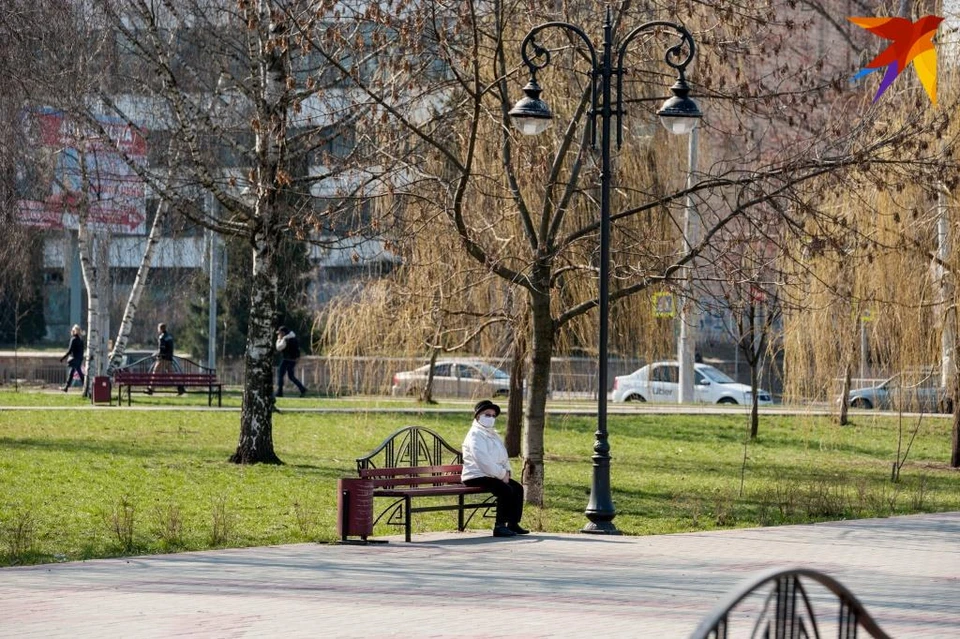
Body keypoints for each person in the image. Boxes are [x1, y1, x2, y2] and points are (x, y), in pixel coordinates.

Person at [461, 399, 528, 538]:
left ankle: (513, 523)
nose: (490, 418)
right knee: (505, 490)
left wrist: (507, 471)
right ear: (478, 416)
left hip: (492, 475)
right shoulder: (475, 434)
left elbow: (503, 455)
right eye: (487, 415)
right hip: (475, 476)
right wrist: (501, 474)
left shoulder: (492, 434)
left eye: (493, 416)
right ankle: (499, 526)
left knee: (517, 488)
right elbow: (483, 460)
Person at [146, 323, 184, 395]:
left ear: (160, 329)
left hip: (162, 358)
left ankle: (150, 389)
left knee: (155, 373)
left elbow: (161, 349)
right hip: (169, 358)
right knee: (171, 374)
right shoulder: (169, 337)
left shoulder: (162, 337)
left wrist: (156, 355)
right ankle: (180, 387)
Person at [275, 326, 307, 397]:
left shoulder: (285, 339)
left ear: (283, 333)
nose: (279, 335)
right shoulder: (293, 337)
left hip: (286, 359)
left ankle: (279, 392)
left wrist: (278, 340)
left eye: (279, 333)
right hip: (293, 360)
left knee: (280, 374)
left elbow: (279, 348)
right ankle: (302, 389)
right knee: (291, 376)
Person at [59, 325, 85, 392]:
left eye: (72, 330)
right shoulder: (80, 340)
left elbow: (69, 351)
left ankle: (85, 385)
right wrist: (81, 359)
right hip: (79, 359)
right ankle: (66, 387)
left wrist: (63, 358)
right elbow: (82, 351)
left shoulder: (73, 339)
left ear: (74, 331)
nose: (71, 332)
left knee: (75, 373)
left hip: (74, 359)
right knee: (75, 372)